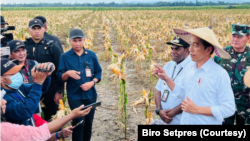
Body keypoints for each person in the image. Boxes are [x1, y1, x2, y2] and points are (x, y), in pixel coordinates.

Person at [153, 27, 236, 124]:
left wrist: (197, 110)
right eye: (190, 44)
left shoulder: (219, 74)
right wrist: (166, 78)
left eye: (195, 45)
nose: (191, 49)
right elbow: (182, 93)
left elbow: (229, 109)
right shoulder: (189, 68)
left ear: (208, 50)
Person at [57, 28, 102, 141]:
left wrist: (92, 83)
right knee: (78, 123)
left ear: (84, 40)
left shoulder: (91, 55)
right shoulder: (65, 57)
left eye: (79, 40)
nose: (77, 43)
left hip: (90, 95)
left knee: (88, 123)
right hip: (74, 96)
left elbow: (98, 72)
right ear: (69, 41)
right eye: (74, 40)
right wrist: (67, 73)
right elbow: (60, 77)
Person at [0, 96, 92, 141]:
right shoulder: (4, 129)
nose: (4, 100)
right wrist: (72, 115)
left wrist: (58, 135)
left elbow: (35, 137)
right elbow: (38, 133)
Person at [25, 18, 63, 121]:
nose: (37, 31)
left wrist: (59, 91)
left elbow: (60, 71)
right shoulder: (24, 47)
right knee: (32, 117)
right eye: (34, 28)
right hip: (30, 88)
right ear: (29, 30)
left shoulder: (52, 47)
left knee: (51, 115)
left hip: (50, 88)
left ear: (44, 29)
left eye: (39, 28)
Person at [214, 24, 250, 125]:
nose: (235, 39)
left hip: (246, 104)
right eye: (234, 36)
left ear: (248, 38)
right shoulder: (221, 54)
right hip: (224, 102)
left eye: (239, 36)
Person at [0, 58, 52, 126]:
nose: (18, 74)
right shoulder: (2, 99)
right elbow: (25, 111)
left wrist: (45, 76)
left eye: (18, 71)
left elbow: (40, 89)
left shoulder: (17, 87)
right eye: (13, 73)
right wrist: (38, 82)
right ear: (1, 79)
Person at [154, 36, 191, 125]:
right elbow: (158, 90)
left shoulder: (192, 69)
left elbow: (189, 99)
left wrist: (171, 114)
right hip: (164, 120)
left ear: (187, 50)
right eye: (172, 48)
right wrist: (159, 110)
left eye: (177, 49)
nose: (173, 52)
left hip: (180, 122)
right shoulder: (169, 65)